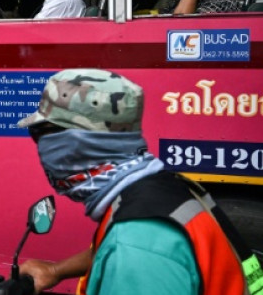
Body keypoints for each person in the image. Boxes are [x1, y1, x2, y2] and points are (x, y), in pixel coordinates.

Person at [17, 69, 261, 295]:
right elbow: (114, 251)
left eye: (40, 134)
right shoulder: (162, 187)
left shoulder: (136, 246)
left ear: (77, 143)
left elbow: (137, 252)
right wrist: (56, 271)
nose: (39, 147)